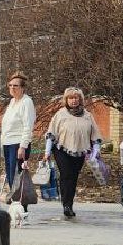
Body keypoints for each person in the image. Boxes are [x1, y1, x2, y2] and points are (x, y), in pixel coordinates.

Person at [43, 86, 102, 219]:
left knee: (73, 177)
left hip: (80, 151)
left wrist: (96, 151)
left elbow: (95, 135)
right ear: (66, 100)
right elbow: (51, 133)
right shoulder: (60, 114)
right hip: (61, 149)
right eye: (70, 98)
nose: (73, 100)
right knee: (66, 174)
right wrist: (47, 152)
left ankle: (69, 203)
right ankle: (66, 205)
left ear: (80, 99)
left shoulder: (87, 116)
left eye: (76, 97)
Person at [0, 71, 36, 190]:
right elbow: (9, 123)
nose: (12, 88)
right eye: (10, 85)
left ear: (23, 88)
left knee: (17, 175)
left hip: (18, 143)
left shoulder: (26, 102)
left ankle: (20, 203)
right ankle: (15, 202)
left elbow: (28, 126)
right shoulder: (12, 102)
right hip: (8, 142)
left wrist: (23, 146)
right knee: (10, 175)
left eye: (15, 86)